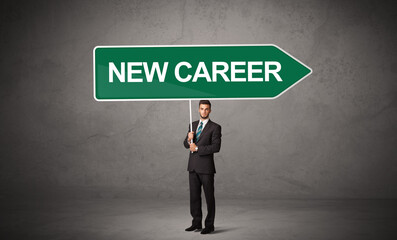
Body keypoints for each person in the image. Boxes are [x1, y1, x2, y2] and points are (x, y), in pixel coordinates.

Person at [183, 100, 222, 234]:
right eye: (202, 109)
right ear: (198, 109)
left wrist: (198, 148)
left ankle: (209, 225)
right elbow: (185, 144)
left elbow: (216, 147)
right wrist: (189, 139)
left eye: (206, 109)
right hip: (193, 167)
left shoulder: (215, 127)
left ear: (210, 110)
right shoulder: (192, 125)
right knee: (194, 197)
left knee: (209, 197)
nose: (204, 111)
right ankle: (196, 223)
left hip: (206, 168)